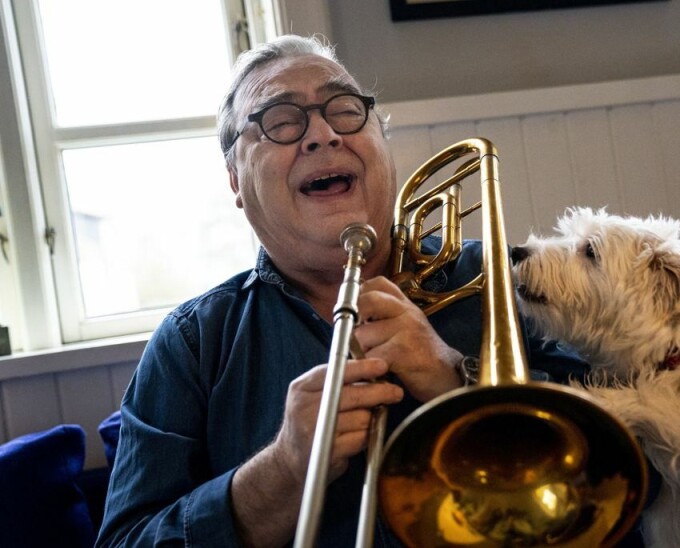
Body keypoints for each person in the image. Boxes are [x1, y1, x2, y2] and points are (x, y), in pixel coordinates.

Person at [96, 34, 594, 547]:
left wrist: (456, 381)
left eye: (345, 109)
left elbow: (638, 461)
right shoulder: (192, 343)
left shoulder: (513, 277)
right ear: (235, 182)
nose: (323, 133)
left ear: (382, 142)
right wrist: (284, 467)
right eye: (281, 121)